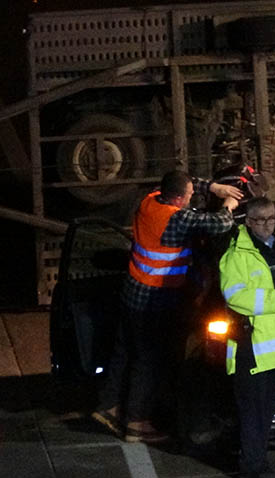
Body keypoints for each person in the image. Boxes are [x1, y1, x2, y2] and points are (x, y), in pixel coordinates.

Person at [92, 170, 242, 443]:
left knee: (124, 352)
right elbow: (217, 224)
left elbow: (184, 181)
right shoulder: (174, 219)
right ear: (177, 199)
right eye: (188, 196)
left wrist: (214, 187)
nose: (190, 198)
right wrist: (228, 206)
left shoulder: (149, 199)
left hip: (132, 292)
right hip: (154, 298)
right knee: (148, 360)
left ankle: (108, 407)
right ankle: (137, 423)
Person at [218, 196, 275, 477]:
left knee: (265, 412)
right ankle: (251, 468)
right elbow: (234, 296)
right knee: (252, 414)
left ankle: (258, 463)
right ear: (248, 221)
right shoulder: (237, 254)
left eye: (271, 218)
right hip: (252, 346)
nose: (267, 225)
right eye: (260, 220)